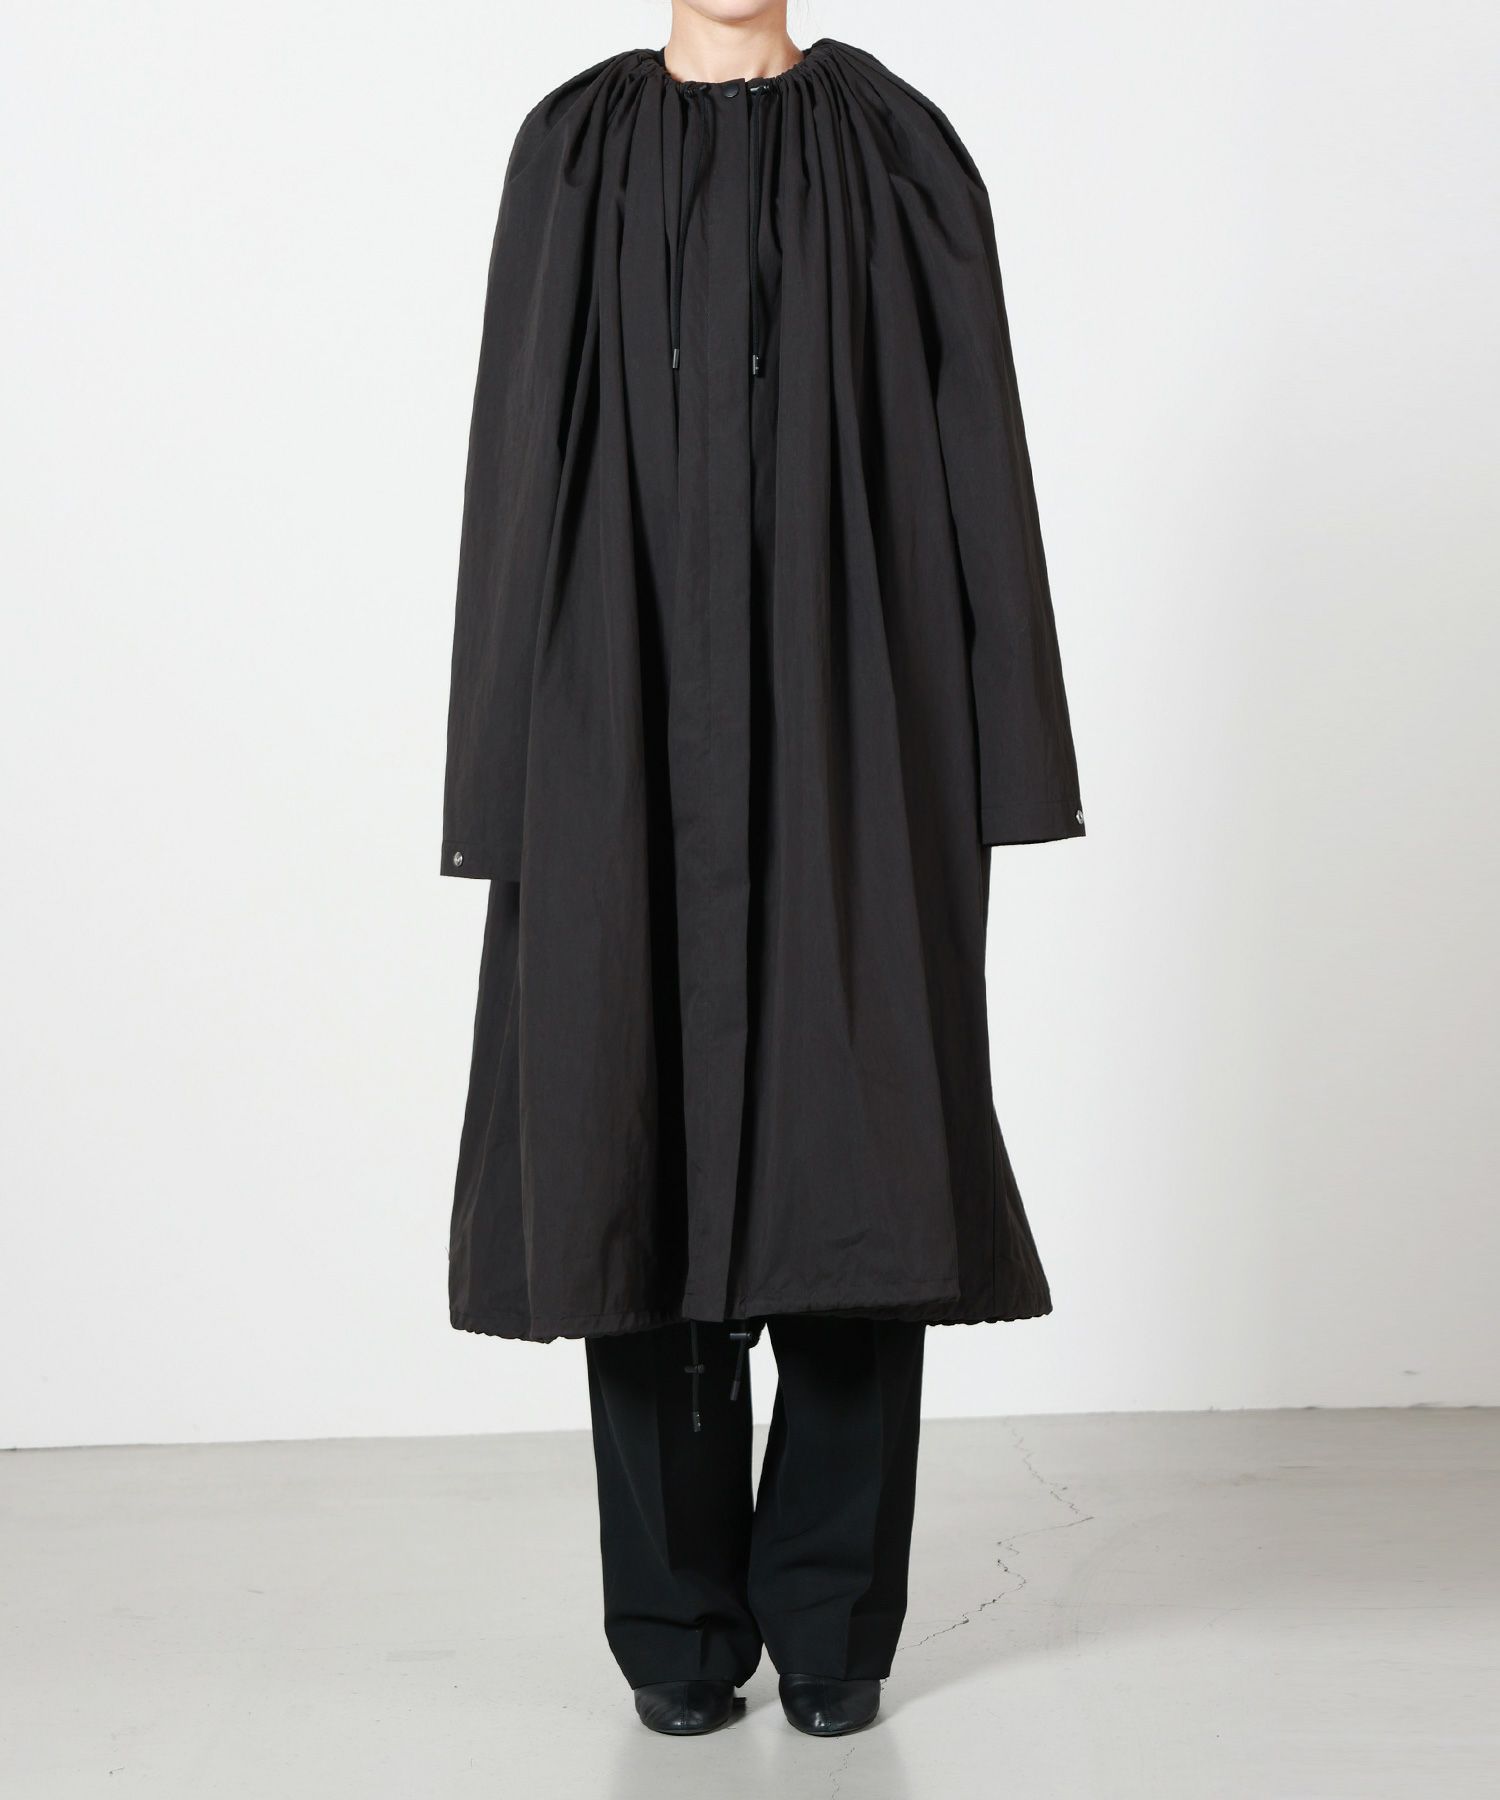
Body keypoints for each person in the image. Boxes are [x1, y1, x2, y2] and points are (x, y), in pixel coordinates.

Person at [438, 0, 1085, 1739]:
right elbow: (515, 461)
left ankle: (832, 1619)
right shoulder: (571, 154)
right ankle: (673, 1629)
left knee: (860, 1166)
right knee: (620, 1154)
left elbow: (981, 453)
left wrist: (1006, 754)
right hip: (616, 723)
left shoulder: (899, 150)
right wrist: (501, 775)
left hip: (858, 725)